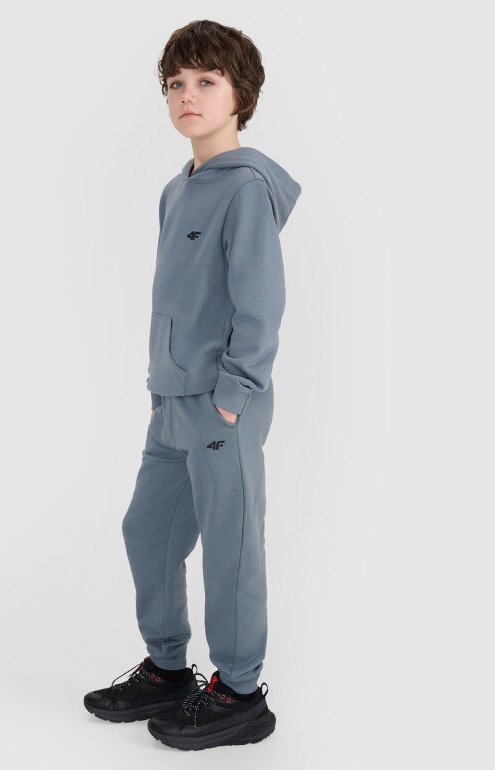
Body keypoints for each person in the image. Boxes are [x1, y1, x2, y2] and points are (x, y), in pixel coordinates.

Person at [84, 19, 301, 751]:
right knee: (148, 532)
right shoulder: (177, 190)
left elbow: (259, 305)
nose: (187, 95)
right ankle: (169, 669)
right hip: (172, 402)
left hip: (221, 405)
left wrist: (232, 396)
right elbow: (176, 298)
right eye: (176, 82)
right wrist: (160, 389)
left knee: (230, 550)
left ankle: (239, 692)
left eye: (207, 80)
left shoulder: (246, 189)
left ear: (241, 94)